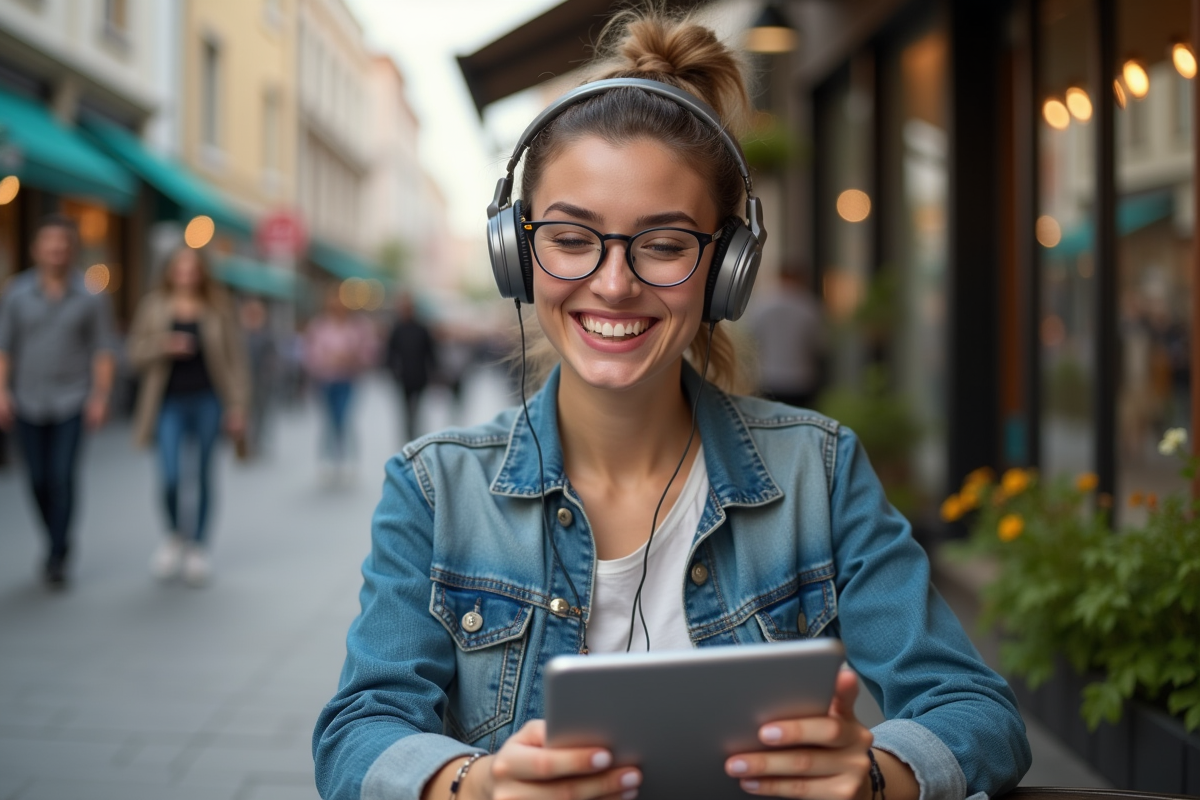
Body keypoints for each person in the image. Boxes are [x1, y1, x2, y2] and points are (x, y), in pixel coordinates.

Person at [313, 10, 1030, 800]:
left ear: (727, 269)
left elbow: (977, 712)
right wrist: (475, 786)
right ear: (518, 253)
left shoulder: (819, 475)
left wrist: (875, 774)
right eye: (571, 236)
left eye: (662, 244)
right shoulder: (434, 489)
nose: (614, 283)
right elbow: (357, 732)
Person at [0, 214, 117, 587]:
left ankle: (58, 552)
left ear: (72, 250)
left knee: (62, 476)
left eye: (63, 243)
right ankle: (53, 538)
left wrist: (100, 396)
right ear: (37, 248)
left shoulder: (91, 296)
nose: (56, 249)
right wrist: (1, 391)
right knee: (36, 478)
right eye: (49, 242)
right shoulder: (16, 294)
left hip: (72, 398)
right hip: (27, 398)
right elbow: (5, 348)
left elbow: (103, 350)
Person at [128, 246, 249, 586]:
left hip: (209, 400)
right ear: (169, 272)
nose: (186, 275)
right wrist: (163, 345)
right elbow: (134, 353)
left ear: (201, 272)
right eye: (179, 268)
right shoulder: (153, 306)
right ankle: (173, 535)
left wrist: (238, 406)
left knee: (204, 474)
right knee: (169, 476)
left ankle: (198, 546)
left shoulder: (218, 307)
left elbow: (237, 360)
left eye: (192, 268)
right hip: (167, 403)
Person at [303, 287, 377, 482]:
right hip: (325, 380)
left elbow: (369, 352)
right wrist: (328, 359)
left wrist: (353, 358)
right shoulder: (319, 326)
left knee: (344, 418)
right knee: (328, 420)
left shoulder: (357, 326)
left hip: (348, 380)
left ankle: (348, 459)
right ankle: (327, 460)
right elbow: (311, 354)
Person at [747, 266, 826, 408]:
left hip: (769, 378)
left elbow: (752, 338)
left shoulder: (762, 305)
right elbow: (819, 344)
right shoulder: (809, 305)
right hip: (801, 378)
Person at [385, 291, 437, 442]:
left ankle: (414, 431)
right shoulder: (397, 329)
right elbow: (390, 353)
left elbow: (430, 351)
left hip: (420, 375)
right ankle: (408, 433)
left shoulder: (421, 328)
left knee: (418, 407)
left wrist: (434, 371)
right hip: (403, 376)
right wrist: (393, 371)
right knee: (405, 408)